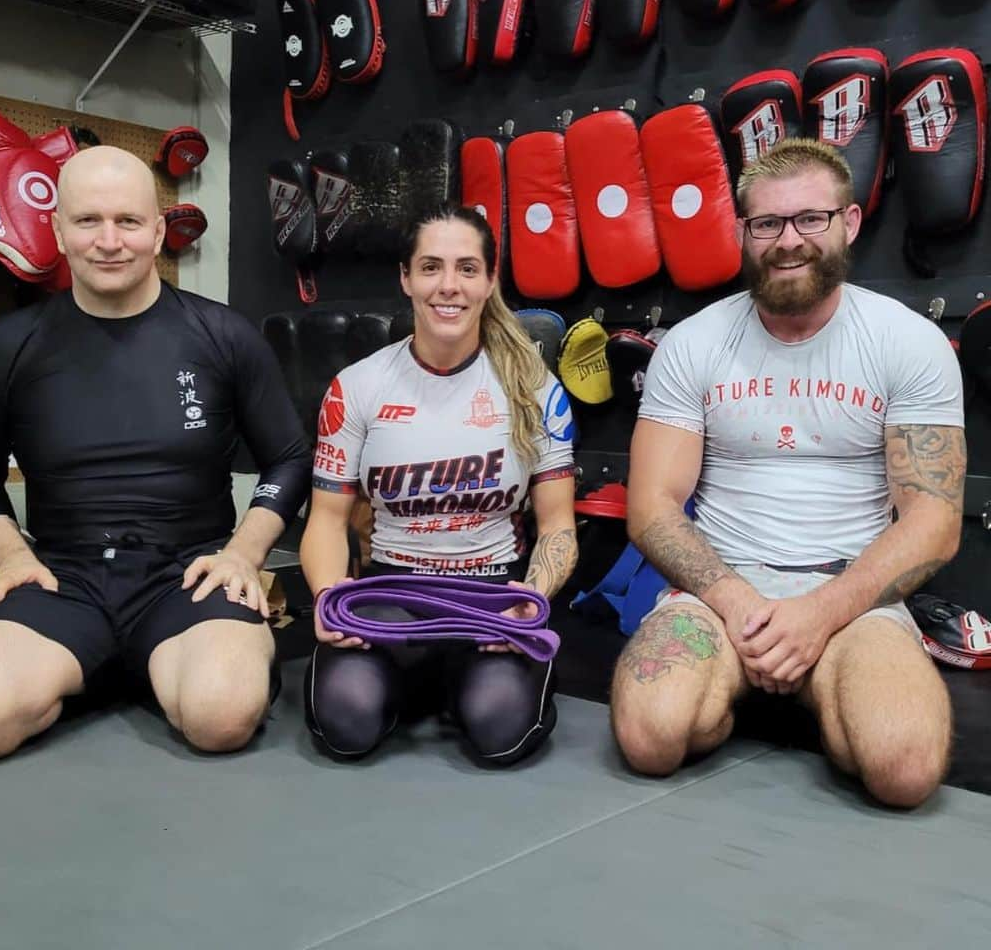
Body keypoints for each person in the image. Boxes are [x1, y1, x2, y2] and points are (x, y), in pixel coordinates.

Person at [610, 138, 965, 808]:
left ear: (850, 222)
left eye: (811, 219)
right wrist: (745, 607)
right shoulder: (693, 345)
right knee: (649, 737)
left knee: (905, 769)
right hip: (722, 596)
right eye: (767, 223)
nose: (788, 240)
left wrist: (817, 616)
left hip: (848, 597)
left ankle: (827, 691)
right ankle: (767, 686)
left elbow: (935, 522)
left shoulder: (907, 343)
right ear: (743, 232)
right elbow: (652, 506)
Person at [0, 146, 310, 758]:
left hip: (188, 575)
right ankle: (107, 662)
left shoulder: (226, 336)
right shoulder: (5, 344)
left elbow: (290, 457)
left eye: (129, 222)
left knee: (221, 716)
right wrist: (7, 557)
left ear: (158, 231)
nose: (109, 241)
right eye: (88, 221)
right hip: (61, 577)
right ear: (57, 230)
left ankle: (161, 662)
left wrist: (243, 555)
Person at [299, 205, 578, 765]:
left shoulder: (534, 389)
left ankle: (453, 682)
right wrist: (330, 598)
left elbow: (558, 527)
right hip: (389, 595)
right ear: (405, 277)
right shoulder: (357, 388)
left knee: (501, 730)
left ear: (490, 280)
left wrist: (533, 597)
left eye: (467, 269)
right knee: (346, 721)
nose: (448, 286)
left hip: (491, 596)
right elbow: (327, 520)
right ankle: (413, 682)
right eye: (430, 267)